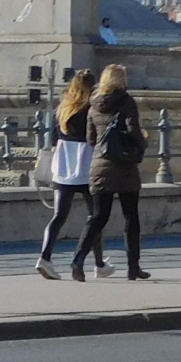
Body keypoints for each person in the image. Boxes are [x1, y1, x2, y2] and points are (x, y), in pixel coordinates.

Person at [73, 63, 151, 283]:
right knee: (130, 217)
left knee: (98, 216)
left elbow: (90, 139)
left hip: (100, 166)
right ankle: (133, 267)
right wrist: (143, 142)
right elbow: (133, 129)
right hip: (124, 166)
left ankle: (78, 261)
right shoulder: (126, 101)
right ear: (121, 80)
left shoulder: (93, 105)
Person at [34, 68, 104, 280]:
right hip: (86, 165)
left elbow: (55, 139)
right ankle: (99, 264)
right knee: (95, 216)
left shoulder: (63, 108)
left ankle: (45, 257)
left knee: (58, 216)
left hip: (63, 166)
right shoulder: (91, 109)